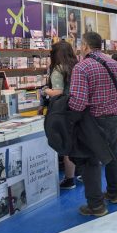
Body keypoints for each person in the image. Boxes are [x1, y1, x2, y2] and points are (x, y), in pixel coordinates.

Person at [69, 32, 117, 217]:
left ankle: (96, 205)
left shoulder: (82, 67)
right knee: (113, 155)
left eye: (80, 45)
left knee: (90, 161)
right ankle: (114, 193)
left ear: (86, 46)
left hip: (92, 121)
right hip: (112, 118)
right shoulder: (114, 64)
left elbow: (78, 102)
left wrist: (69, 116)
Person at [42, 41, 79, 190]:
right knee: (79, 142)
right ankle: (81, 173)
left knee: (66, 145)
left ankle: (69, 179)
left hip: (63, 111)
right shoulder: (76, 66)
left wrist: (45, 90)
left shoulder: (58, 69)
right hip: (78, 108)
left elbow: (58, 92)